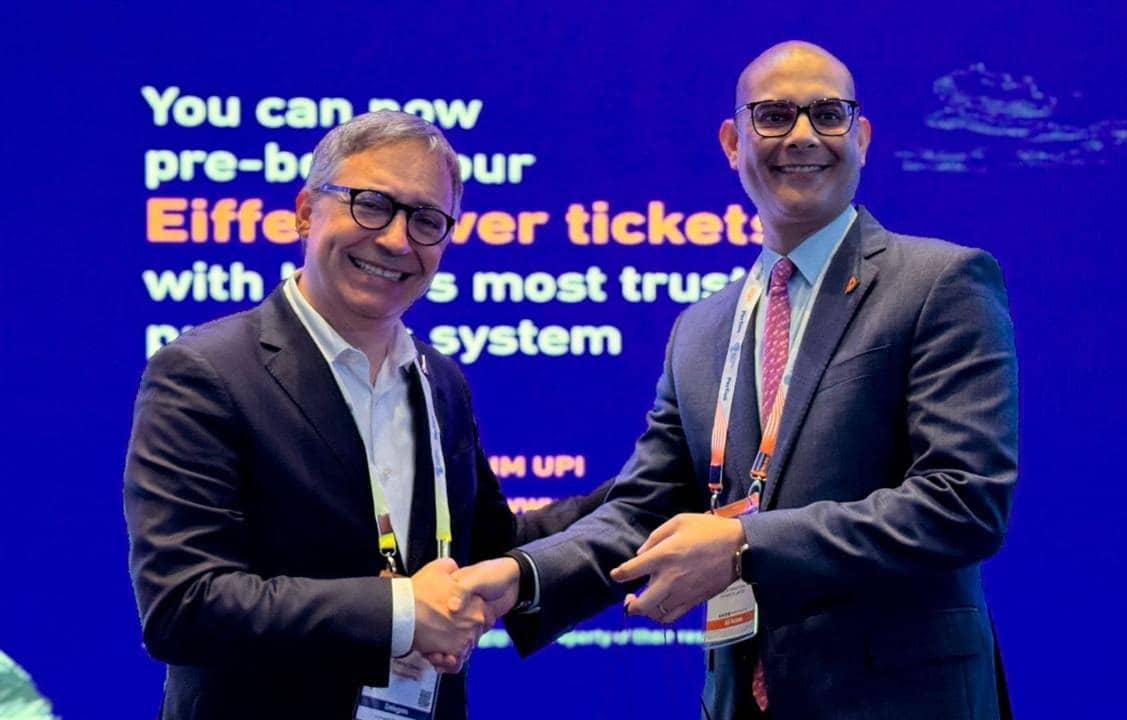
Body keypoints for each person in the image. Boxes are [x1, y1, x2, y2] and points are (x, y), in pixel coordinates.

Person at [460, 41, 1018, 719]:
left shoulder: (939, 283)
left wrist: (744, 546)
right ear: (733, 142)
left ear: (862, 137)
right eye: (774, 116)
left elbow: (962, 502)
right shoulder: (700, 329)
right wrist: (519, 578)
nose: (803, 136)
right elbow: (642, 510)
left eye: (828, 114)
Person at [123, 111, 608, 720]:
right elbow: (184, 606)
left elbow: (490, 551)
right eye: (372, 204)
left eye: (426, 219)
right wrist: (403, 614)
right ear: (306, 211)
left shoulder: (439, 380)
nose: (398, 241)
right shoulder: (205, 372)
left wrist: (656, 489)